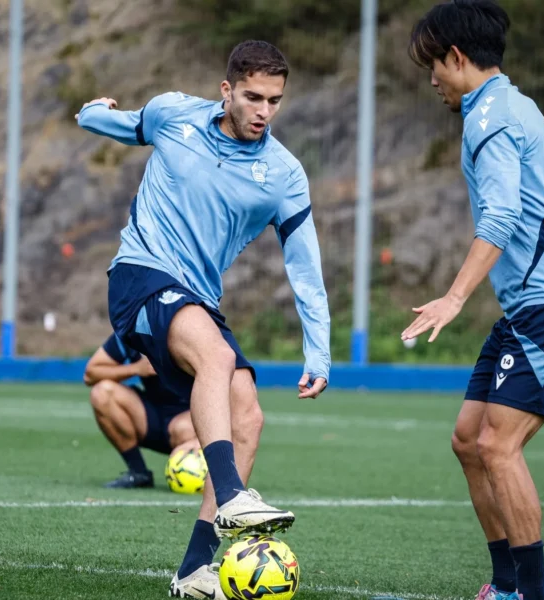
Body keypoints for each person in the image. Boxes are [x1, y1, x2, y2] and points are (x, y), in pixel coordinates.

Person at [76, 40, 331, 598]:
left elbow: (305, 268)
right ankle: (234, 495)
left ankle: (194, 571)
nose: (264, 110)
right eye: (253, 97)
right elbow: (126, 125)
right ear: (226, 90)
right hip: (139, 274)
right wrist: (92, 112)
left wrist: (320, 350)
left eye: (275, 100)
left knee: (249, 418)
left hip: (197, 297)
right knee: (216, 357)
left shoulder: (284, 175)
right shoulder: (175, 113)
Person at [404, 2, 544, 599]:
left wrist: (454, 297)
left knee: (497, 443)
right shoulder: (514, 102)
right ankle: (507, 585)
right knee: (469, 439)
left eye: (432, 65)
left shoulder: (489, 117)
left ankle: (533, 594)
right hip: (531, 309)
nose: (431, 78)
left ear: (457, 58)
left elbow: (504, 214)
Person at [84, 333, 199, 489]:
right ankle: (138, 472)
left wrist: (203, 435)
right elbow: (90, 374)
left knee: (183, 429)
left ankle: (208, 469)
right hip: (150, 415)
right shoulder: (131, 330)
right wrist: (136, 369)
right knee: (101, 393)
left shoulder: (190, 331)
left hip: (189, 417)